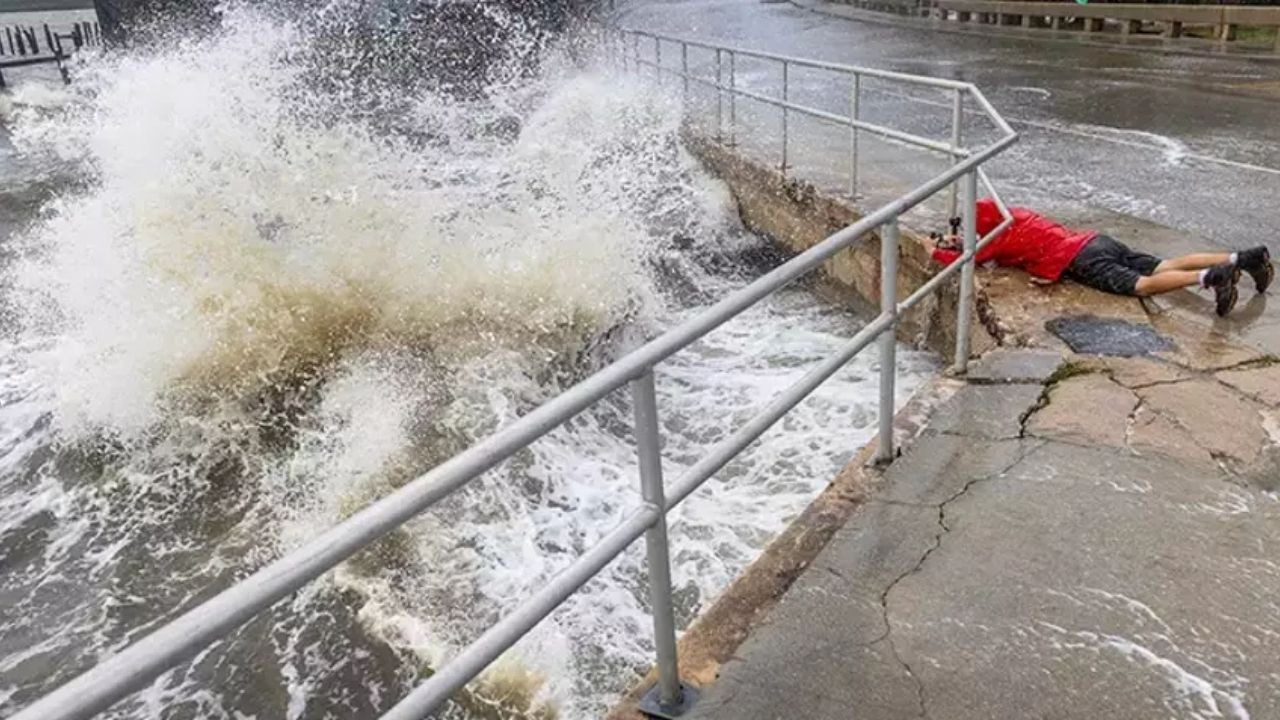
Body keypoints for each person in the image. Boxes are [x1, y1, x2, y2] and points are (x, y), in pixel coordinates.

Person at [931, 198, 1273, 317]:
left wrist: (937, 249)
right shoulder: (1016, 215)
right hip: (1096, 240)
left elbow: (968, 260)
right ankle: (1242, 257)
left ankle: (1211, 278)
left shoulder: (996, 240)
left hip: (1080, 259)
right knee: (1164, 264)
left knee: (1142, 285)